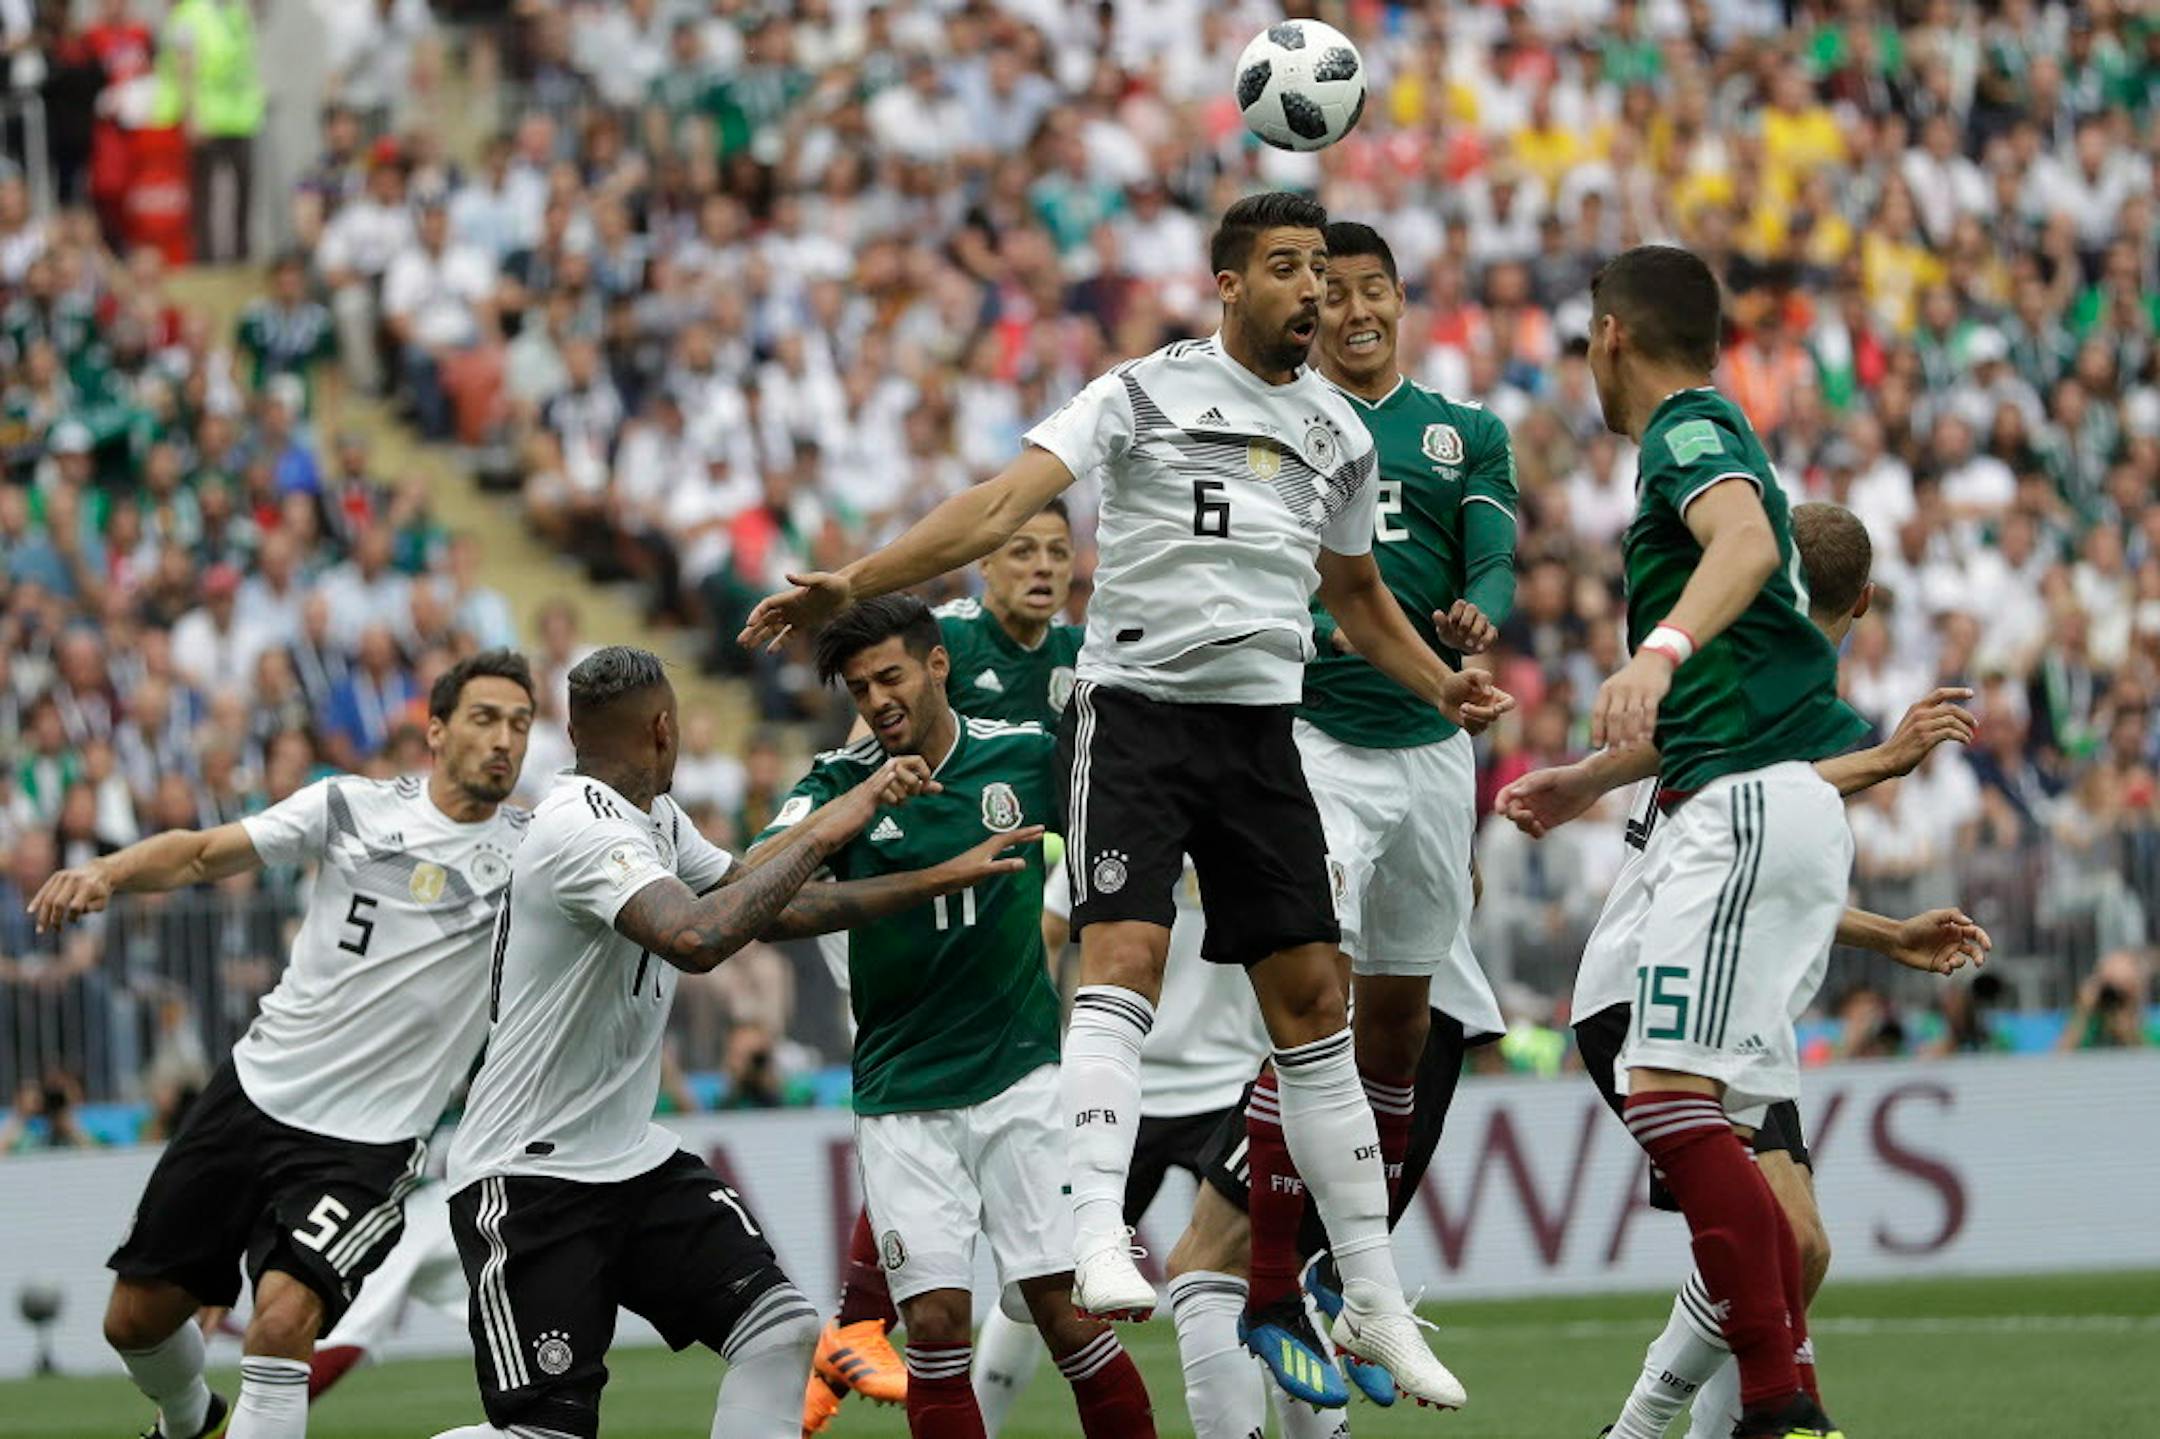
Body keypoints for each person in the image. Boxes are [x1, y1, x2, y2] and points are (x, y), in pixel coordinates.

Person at [743, 191, 1508, 1407]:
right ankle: (1097, 1226)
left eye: (1320, 267)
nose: (1313, 290)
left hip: (1263, 731)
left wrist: (1440, 682)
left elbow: (1359, 597)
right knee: (1124, 959)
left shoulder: (1338, 435)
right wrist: (857, 578)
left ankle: (1368, 1287)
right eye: (1288, 267)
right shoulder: (1142, 391)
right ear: (1228, 284)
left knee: (1318, 1002)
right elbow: (1001, 504)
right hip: (1139, 714)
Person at [430, 646, 1023, 1439]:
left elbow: (765, 906)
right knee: (547, 1434)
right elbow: (697, 938)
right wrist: (833, 823)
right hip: (531, 1177)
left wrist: (934, 879)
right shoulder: (579, 827)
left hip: (629, 1160)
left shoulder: (656, 818)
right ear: (664, 729)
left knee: (778, 1330)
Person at [1506, 244, 1885, 1439]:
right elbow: (1737, 669)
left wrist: (1656, 650)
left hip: (1742, 812)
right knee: (1737, 1170)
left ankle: (1776, 1406)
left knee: (1666, 1098)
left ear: (1611, 334)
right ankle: (1773, 1401)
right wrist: (1590, 776)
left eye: (1588, 338)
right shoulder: (1704, 434)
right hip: (1744, 801)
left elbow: (1748, 543)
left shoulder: (1686, 428)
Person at [32, 651, 539, 1439]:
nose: (504, 738)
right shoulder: (350, 806)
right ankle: (190, 1420)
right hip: (254, 1094)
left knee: (281, 1319)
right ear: (436, 731)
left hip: (367, 1143)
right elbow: (202, 852)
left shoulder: (536, 854)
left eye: (520, 723)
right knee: (134, 1320)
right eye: (485, 718)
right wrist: (108, 869)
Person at [1228, 218, 1518, 1406]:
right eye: (1331, 290)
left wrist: (1481, 608)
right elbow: (1259, 572)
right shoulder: (1278, 423)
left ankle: (1354, 1291)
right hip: (1315, 742)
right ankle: (1268, 1283)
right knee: (1314, 1005)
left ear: (1402, 299)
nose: (1352, 310)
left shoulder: (1466, 431)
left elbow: (1492, 557)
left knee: (1400, 1027)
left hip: (1436, 748)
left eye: (1371, 290)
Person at [758, 597, 1153, 1439]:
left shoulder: (1023, 755)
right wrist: (856, 811)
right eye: (861, 689)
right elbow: (752, 890)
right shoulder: (839, 782)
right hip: (902, 1094)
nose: (877, 700)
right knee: (935, 1325)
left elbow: (1127, 811)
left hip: (1021, 1077)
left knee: (1067, 1314)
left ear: (938, 665)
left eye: (890, 676)